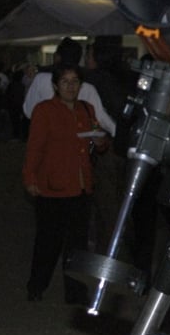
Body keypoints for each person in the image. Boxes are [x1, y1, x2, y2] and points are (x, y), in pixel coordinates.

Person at [23, 62, 108, 303]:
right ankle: (37, 285)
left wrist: (100, 141)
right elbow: (35, 148)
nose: (71, 86)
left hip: (81, 187)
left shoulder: (86, 109)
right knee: (48, 242)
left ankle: (76, 292)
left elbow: (97, 141)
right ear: (55, 86)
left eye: (75, 82)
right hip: (53, 187)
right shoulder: (45, 110)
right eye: (65, 82)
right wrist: (30, 177)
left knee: (77, 245)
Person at [23, 37, 116, 137]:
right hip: (76, 143)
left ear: (58, 56)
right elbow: (102, 118)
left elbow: (28, 111)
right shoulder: (87, 88)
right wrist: (119, 136)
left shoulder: (41, 79)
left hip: (47, 140)